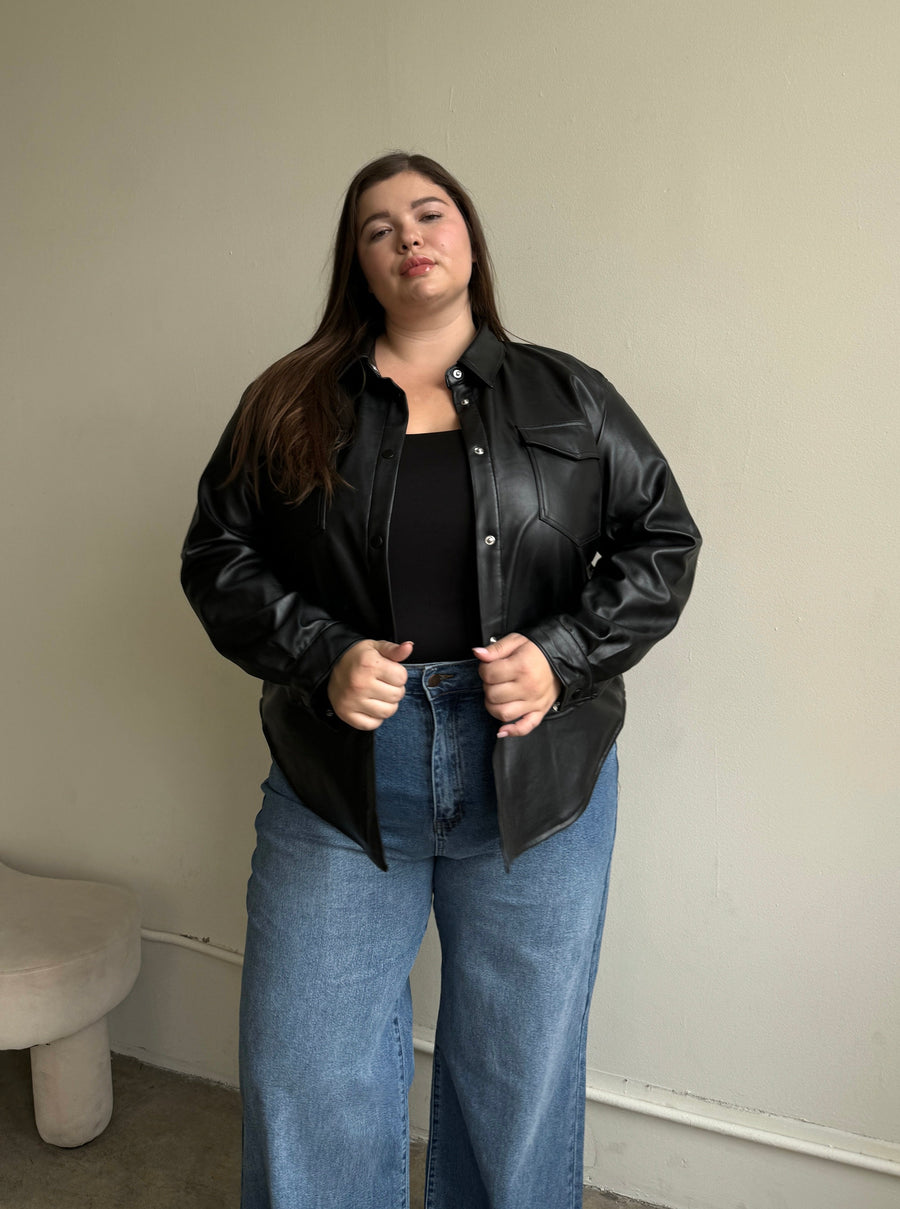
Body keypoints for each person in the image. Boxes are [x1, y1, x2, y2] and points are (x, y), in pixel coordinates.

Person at [181, 151, 700, 1209]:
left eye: (429, 212)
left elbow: (663, 541)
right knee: (305, 1067)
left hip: (538, 775)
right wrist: (321, 653)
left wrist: (561, 657)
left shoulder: (570, 394)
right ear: (358, 262)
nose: (408, 236)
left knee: (517, 1079)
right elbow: (217, 556)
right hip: (338, 774)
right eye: (378, 227)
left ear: (467, 236)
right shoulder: (289, 401)